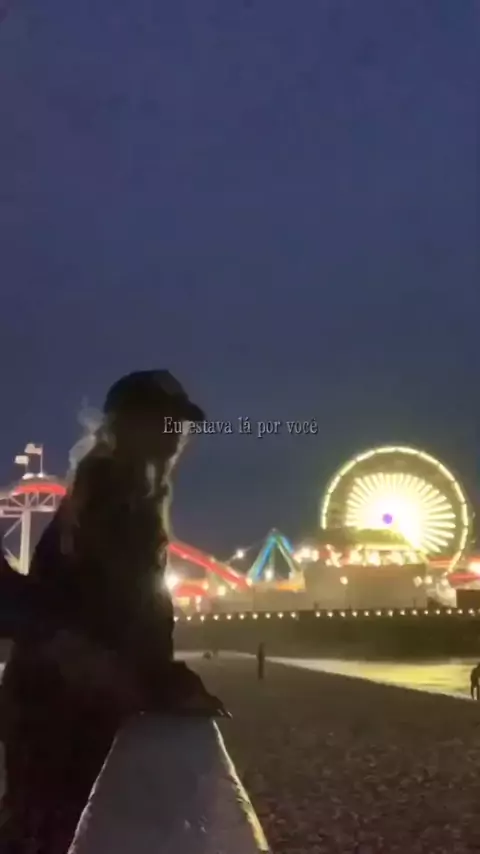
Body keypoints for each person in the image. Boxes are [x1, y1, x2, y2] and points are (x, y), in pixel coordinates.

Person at [0, 370, 226, 854]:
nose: (175, 433)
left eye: (179, 423)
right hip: (59, 702)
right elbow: (112, 607)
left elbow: (131, 614)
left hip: (65, 696)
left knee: (43, 824)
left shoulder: (130, 495)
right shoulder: (109, 497)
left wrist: (161, 677)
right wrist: (149, 675)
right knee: (51, 824)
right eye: (161, 421)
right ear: (124, 427)